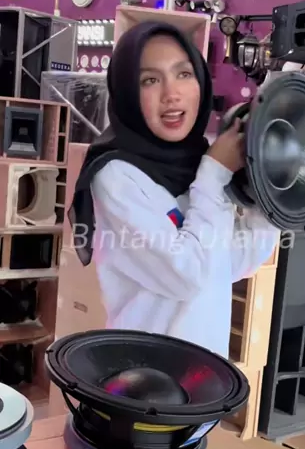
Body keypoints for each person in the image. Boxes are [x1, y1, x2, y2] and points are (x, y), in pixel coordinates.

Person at [69, 21, 279, 357]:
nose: (171, 94)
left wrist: (268, 194)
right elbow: (187, 276)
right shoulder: (116, 175)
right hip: (144, 377)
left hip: (204, 377)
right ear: (127, 92)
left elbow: (232, 263)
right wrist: (215, 174)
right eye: (150, 80)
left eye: (183, 74)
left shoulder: (199, 162)